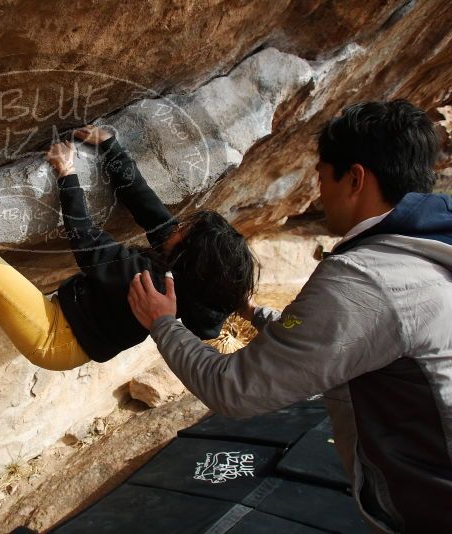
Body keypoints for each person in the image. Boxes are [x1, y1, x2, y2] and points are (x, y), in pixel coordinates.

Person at [127, 99, 452, 533]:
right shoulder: (429, 246)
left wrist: (163, 323)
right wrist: (249, 312)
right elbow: (338, 339)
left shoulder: (364, 279)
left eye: (321, 177)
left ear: (355, 178)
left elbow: (234, 389)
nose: (318, 193)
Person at [0, 125, 256, 371]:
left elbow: (87, 242)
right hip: (70, 321)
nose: (177, 225)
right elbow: (143, 201)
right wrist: (109, 144)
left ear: (188, 256)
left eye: (186, 229)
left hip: (56, 339)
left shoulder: (148, 284)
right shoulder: (192, 282)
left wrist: (67, 173)